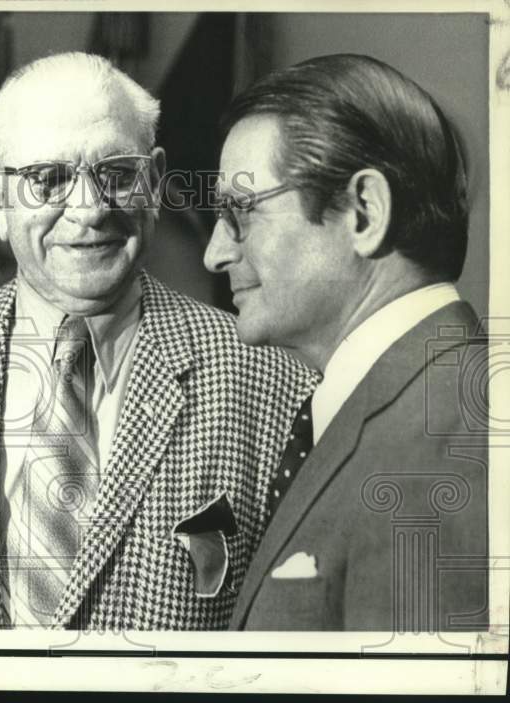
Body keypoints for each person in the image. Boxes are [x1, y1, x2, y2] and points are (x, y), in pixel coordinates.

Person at [0, 52, 317, 630]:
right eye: (49, 180)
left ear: (156, 179)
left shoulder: (270, 380)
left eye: (118, 174)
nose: (90, 209)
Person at [204, 54, 488, 631]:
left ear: (364, 213)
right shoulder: (422, 410)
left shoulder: (447, 439)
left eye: (240, 213)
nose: (215, 253)